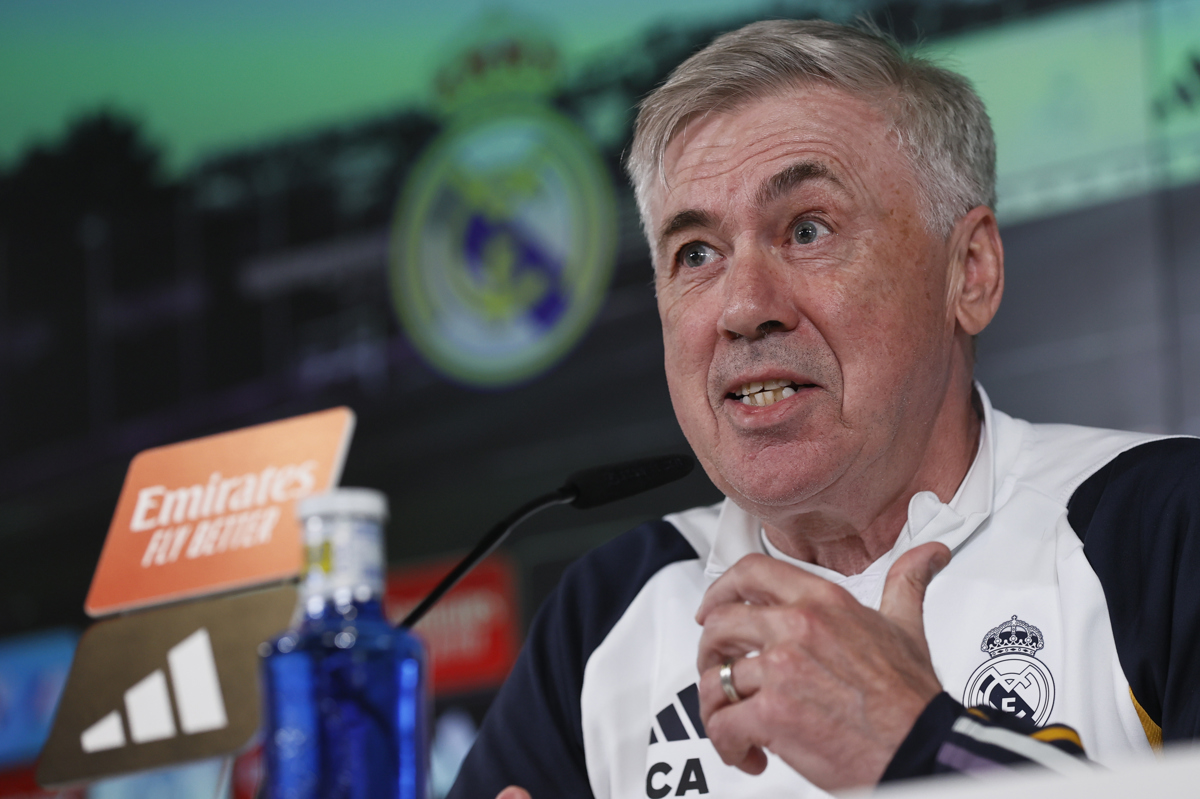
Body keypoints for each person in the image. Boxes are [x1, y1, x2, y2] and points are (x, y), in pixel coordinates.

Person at [448, 19, 1200, 799]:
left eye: (808, 230)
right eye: (696, 254)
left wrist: (914, 743)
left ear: (968, 271)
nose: (743, 306)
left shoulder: (1161, 525)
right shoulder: (608, 612)